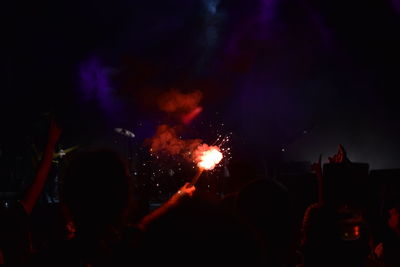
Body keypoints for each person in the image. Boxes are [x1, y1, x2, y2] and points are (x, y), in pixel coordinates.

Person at [0, 117, 62, 265]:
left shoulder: (11, 219)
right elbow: (38, 183)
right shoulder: (10, 221)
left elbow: (38, 183)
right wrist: (51, 142)